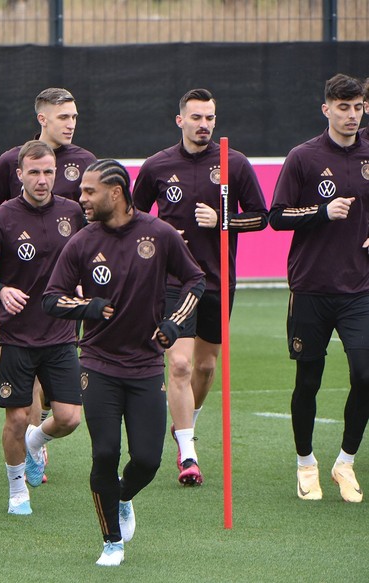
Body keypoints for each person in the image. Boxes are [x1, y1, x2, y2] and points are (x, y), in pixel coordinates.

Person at [43, 159, 204, 566]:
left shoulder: (160, 234)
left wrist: (175, 322)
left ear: (115, 193)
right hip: (97, 365)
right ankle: (111, 541)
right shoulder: (81, 242)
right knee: (105, 454)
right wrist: (89, 306)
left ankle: (123, 495)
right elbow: (52, 298)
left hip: (147, 367)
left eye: (89, 191)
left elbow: (194, 279)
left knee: (148, 460)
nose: (81, 198)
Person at [133, 88, 268, 485]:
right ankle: (188, 454)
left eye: (210, 118)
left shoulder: (234, 164)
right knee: (178, 363)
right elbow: (132, 220)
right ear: (180, 121)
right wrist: (160, 233)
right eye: (196, 118)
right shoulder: (157, 165)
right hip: (173, 282)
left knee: (206, 368)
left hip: (217, 281)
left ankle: (184, 426)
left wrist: (223, 220)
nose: (204, 125)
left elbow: (262, 218)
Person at [269, 73, 369, 503]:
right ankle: (305, 463)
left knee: (365, 375)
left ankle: (344, 462)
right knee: (308, 379)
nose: (351, 115)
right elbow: (277, 216)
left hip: (360, 289)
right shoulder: (302, 157)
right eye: (342, 107)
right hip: (309, 287)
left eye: (358, 107)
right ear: (326, 109)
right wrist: (321, 211)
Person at [0, 140, 84, 515]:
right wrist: (0, 290)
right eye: (33, 172)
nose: (42, 179)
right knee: (17, 417)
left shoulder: (73, 212)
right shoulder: (2, 217)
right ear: (19, 174)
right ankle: (17, 489)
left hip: (61, 332)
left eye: (48, 172)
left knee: (69, 418)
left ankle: (36, 441)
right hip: (16, 334)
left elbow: (87, 257)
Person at [0, 87, 96, 221]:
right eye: (63, 117)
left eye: (74, 117)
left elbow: (97, 210)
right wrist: (9, 229)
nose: (71, 125)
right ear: (42, 119)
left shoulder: (86, 160)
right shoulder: (11, 160)